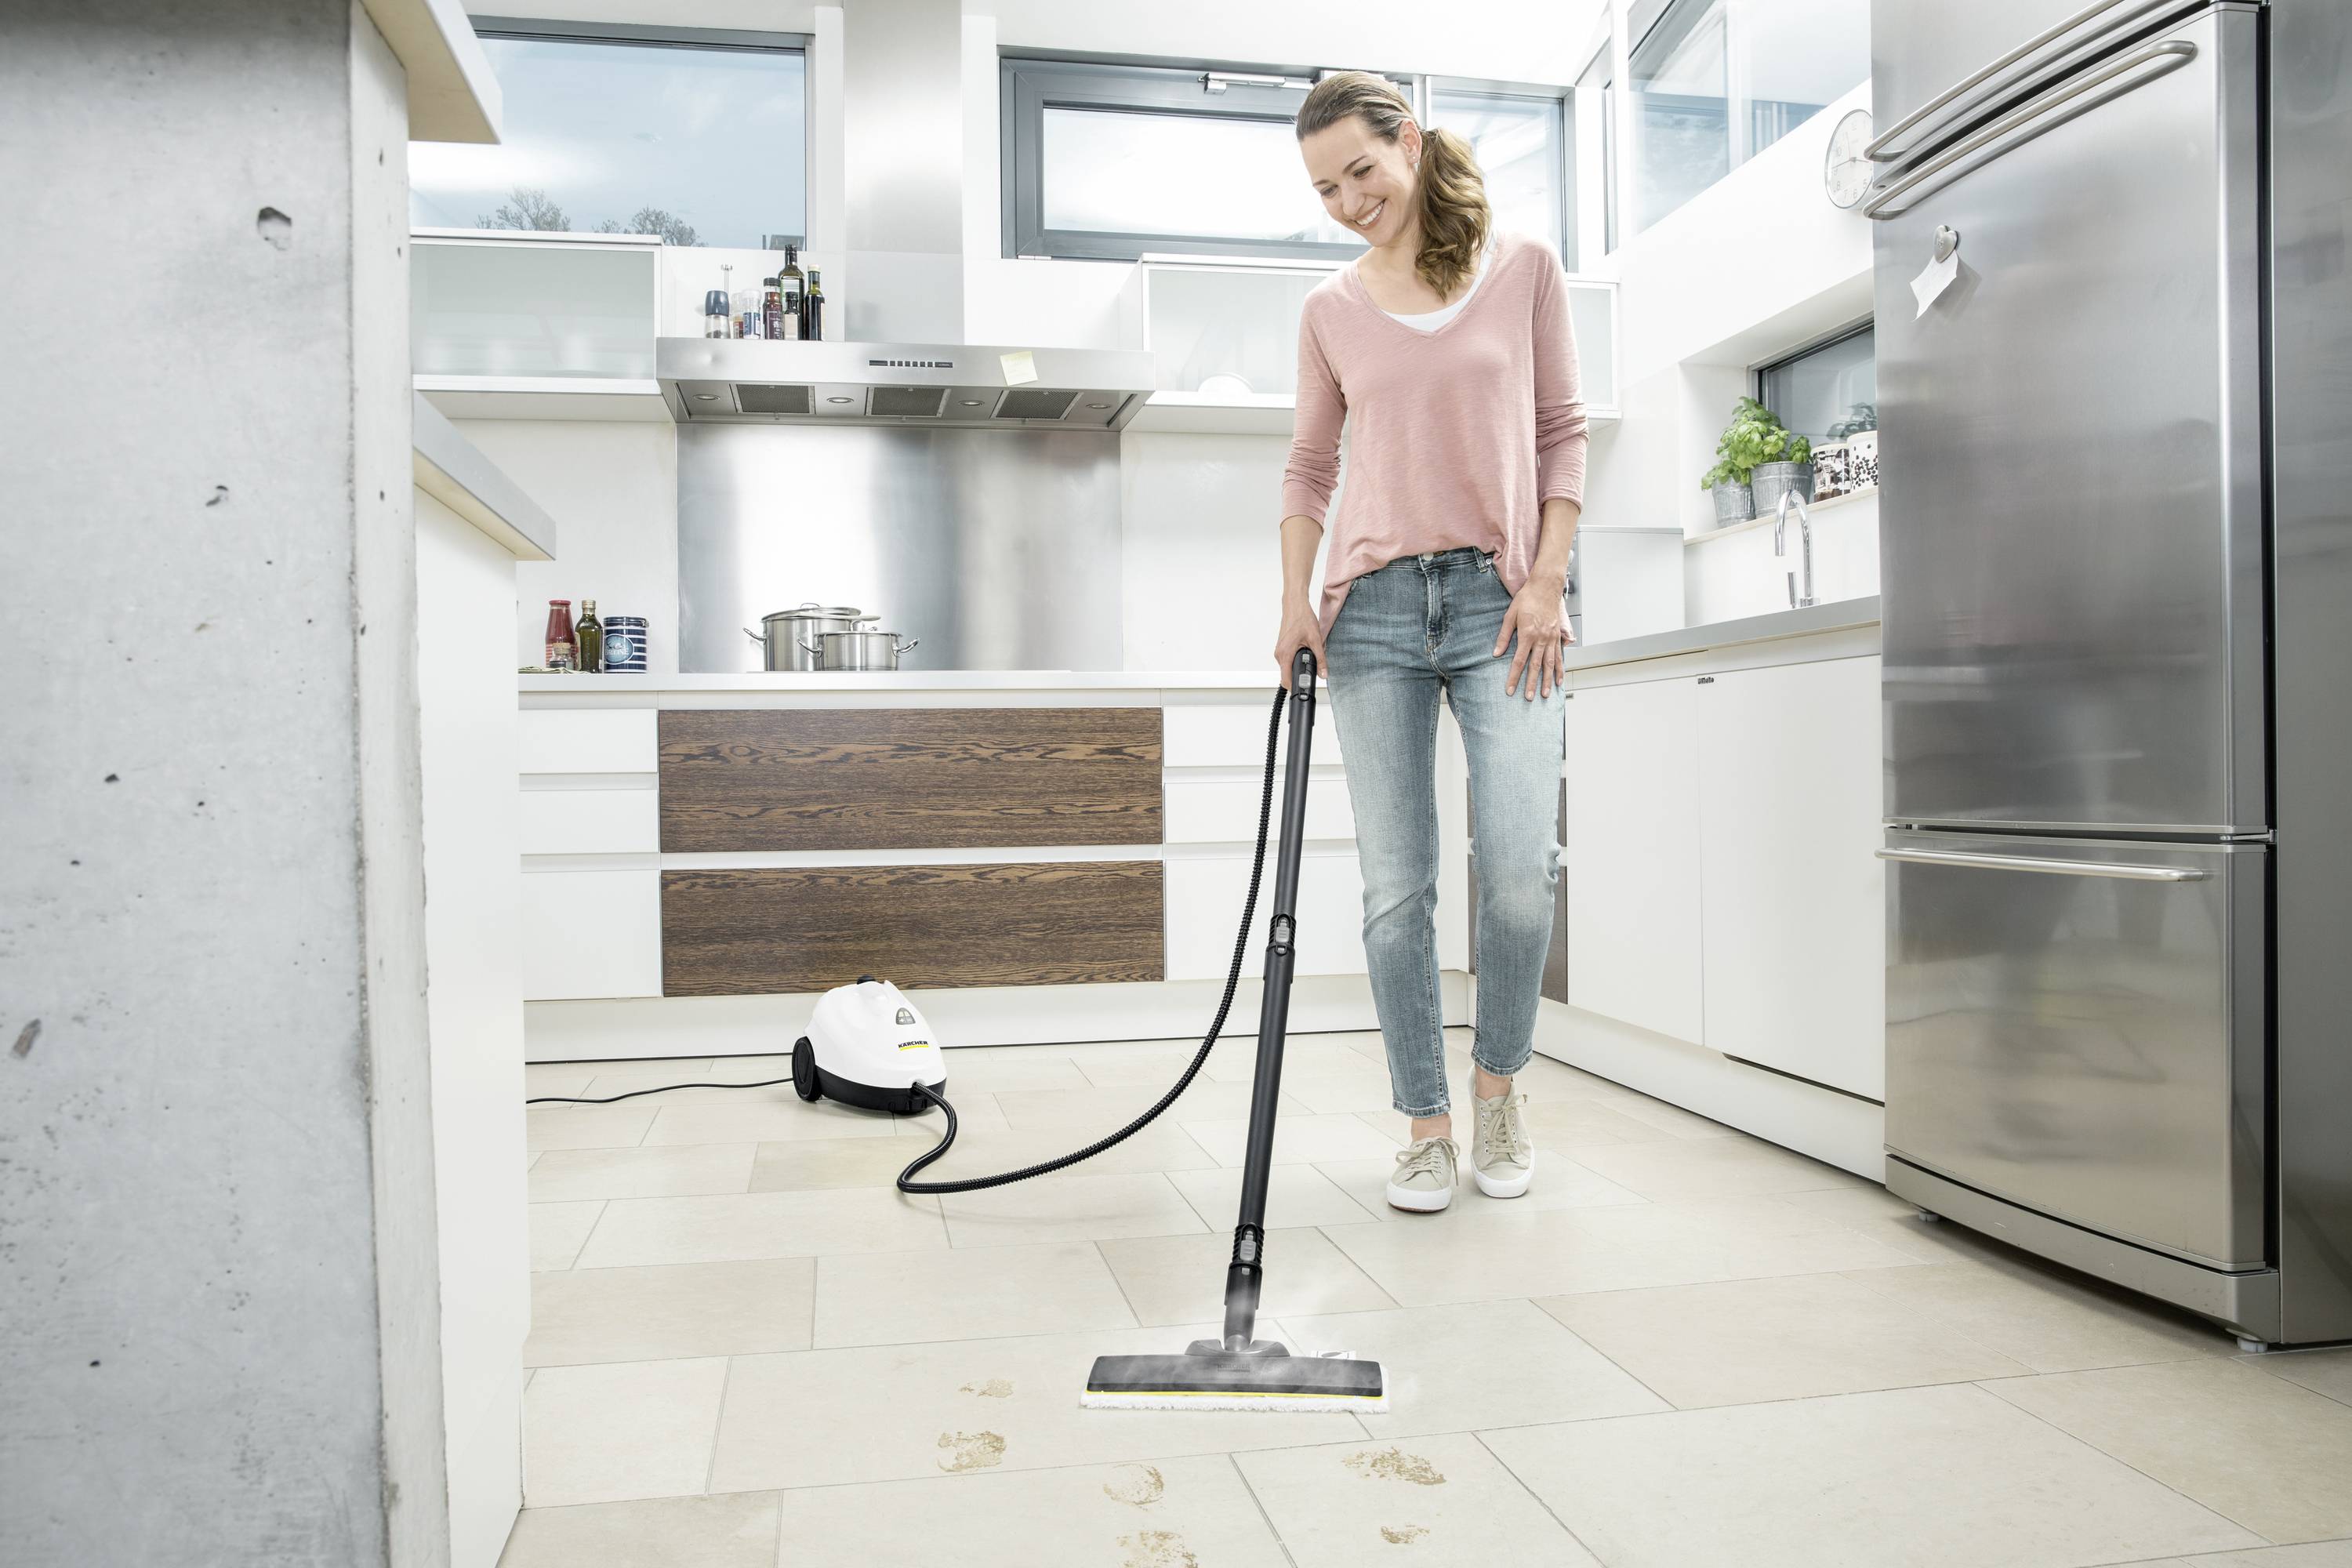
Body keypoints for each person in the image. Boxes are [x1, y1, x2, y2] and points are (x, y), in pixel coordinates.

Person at [1274, 71, 1588, 1214]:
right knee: (1397, 888)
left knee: (1517, 872)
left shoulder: (1524, 270)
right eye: (1324, 187)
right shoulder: (1330, 311)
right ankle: (1423, 1122)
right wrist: (1296, 600)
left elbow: (1561, 433)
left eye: (1360, 169)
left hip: (1506, 600)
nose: (1348, 198)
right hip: (1374, 618)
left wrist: (1550, 578)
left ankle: (1498, 1087)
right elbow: (1311, 468)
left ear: (1407, 144)